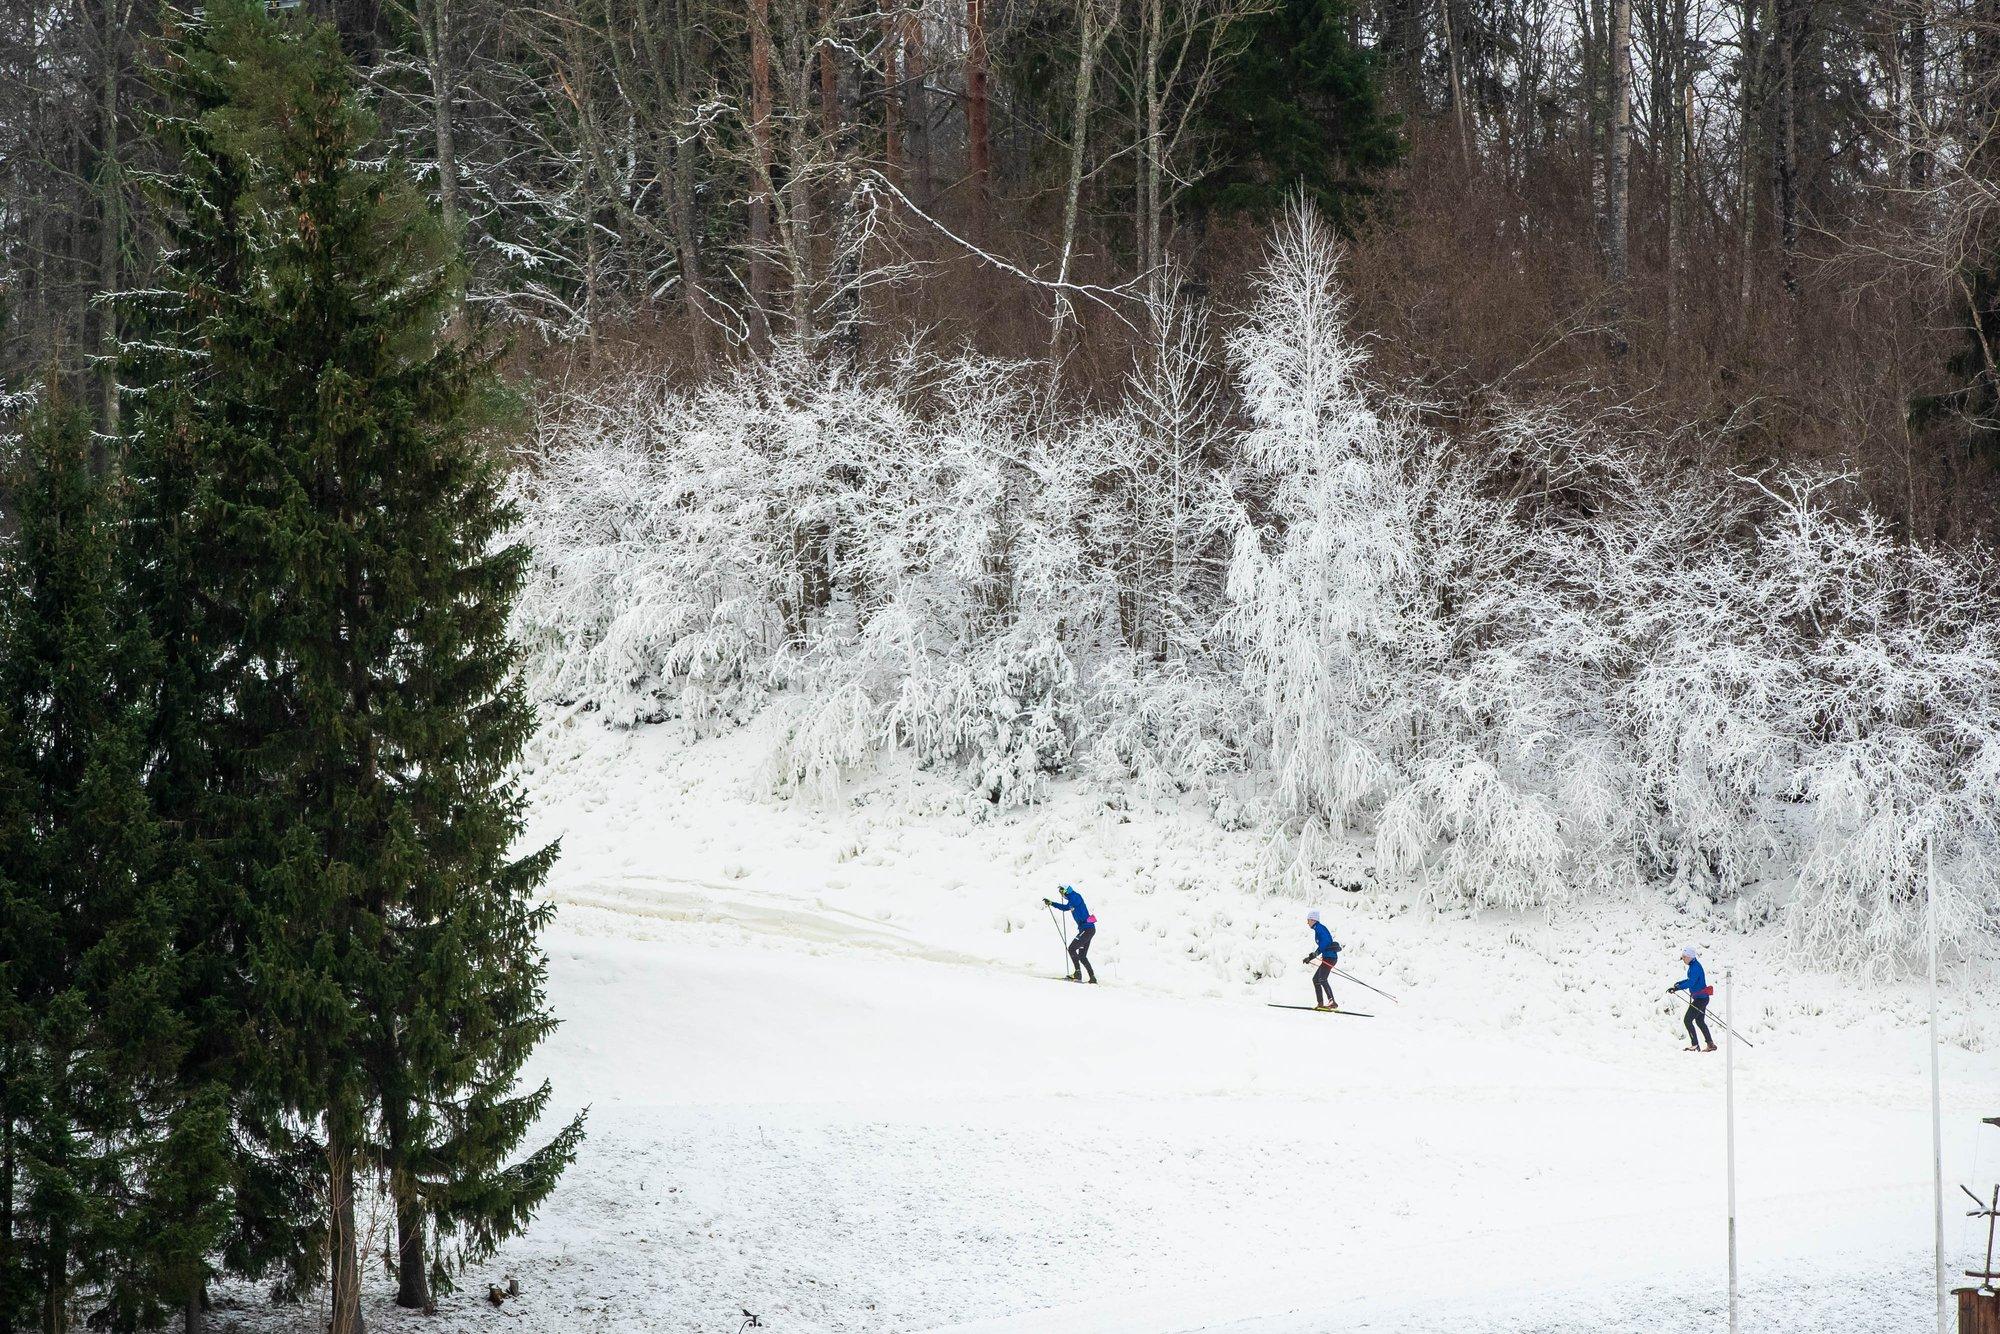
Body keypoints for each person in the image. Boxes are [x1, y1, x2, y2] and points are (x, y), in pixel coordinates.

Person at [1043, 885, 1097, 983]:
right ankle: (1092, 977)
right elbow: (1064, 907)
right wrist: (1052, 903)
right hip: (1087, 930)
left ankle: (1077, 973)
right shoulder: (1071, 902)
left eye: (1061, 891)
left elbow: (1073, 900)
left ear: (1066, 891)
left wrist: (1067, 892)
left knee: (1072, 948)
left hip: (1087, 929)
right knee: (1082, 956)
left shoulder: (1075, 896)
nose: (1061, 894)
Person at [1667, 946, 1716, 1051]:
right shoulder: (1693, 966)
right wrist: (1679, 984)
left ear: (1690, 956)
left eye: (1684, 957)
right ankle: (1710, 1044)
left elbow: (1691, 982)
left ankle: (1695, 1045)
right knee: (1700, 1021)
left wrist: (1677, 988)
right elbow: (1690, 980)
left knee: (1687, 1020)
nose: (1683, 959)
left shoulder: (1695, 968)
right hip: (1702, 998)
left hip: (1700, 1000)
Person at [1302, 910, 1340, 1010]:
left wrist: (1313, 955)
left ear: (1313, 920)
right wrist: (1311, 957)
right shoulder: (1318, 929)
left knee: (1322, 979)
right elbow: (1322, 946)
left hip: (1330, 958)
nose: (1307, 923)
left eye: (1308, 920)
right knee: (1316, 979)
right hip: (1328, 957)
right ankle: (1320, 1003)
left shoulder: (1320, 929)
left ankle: (1332, 1002)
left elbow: (1324, 943)